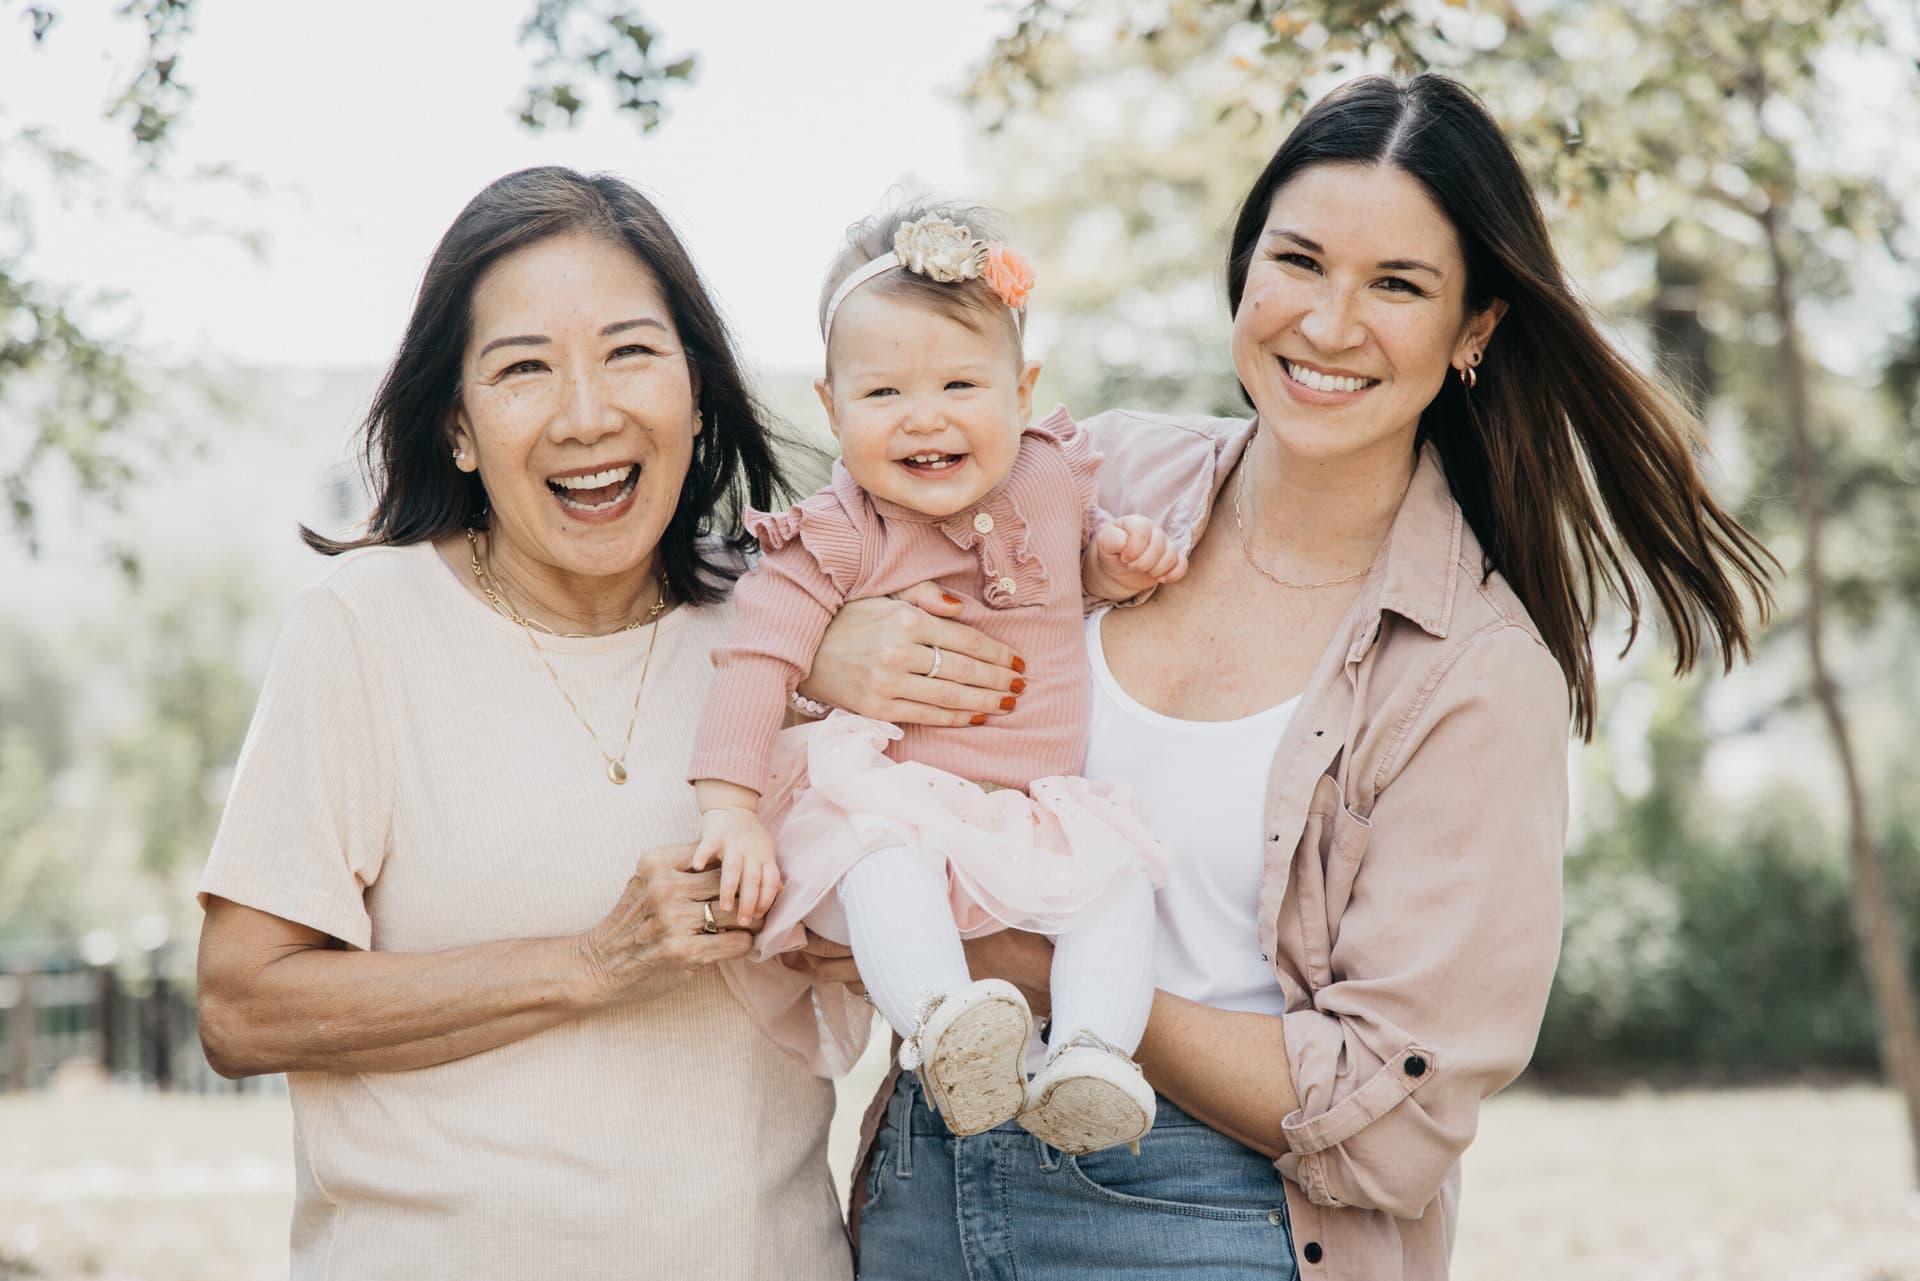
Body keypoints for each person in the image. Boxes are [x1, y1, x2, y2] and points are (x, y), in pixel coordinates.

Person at [803, 75, 1774, 1280]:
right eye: (1299, 261)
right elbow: (790, 567)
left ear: (1475, 330)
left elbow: (1393, 1116)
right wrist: (833, 651)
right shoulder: (1091, 474)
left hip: (1206, 1221)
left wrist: (1042, 976)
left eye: (1399, 285)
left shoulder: (1472, 673)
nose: (1327, 323)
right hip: (925, 1186)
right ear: (1246, 268)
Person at [193, 166, 852, 1280]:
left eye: (631, 352)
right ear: (458, 426)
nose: (586, 414)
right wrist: (591, 964)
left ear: (697, 391)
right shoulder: (366, 627)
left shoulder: (791, 627)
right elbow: (241, 1004)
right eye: (523, 370)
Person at [688, 202, 1188, 1156]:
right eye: (883, 395)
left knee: (1115, 882)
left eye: (961, 382)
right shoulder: (837, 533)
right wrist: (729, 807)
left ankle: (1087, 1054)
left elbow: (1061, 574)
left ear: (1021, 390)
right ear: (832, 408)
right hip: (895, 802)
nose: (925, 416)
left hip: (1026, 808)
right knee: (884, 860)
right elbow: (756, 658)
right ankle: (943, 1020)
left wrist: (1112, 567)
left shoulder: (1050, 479)